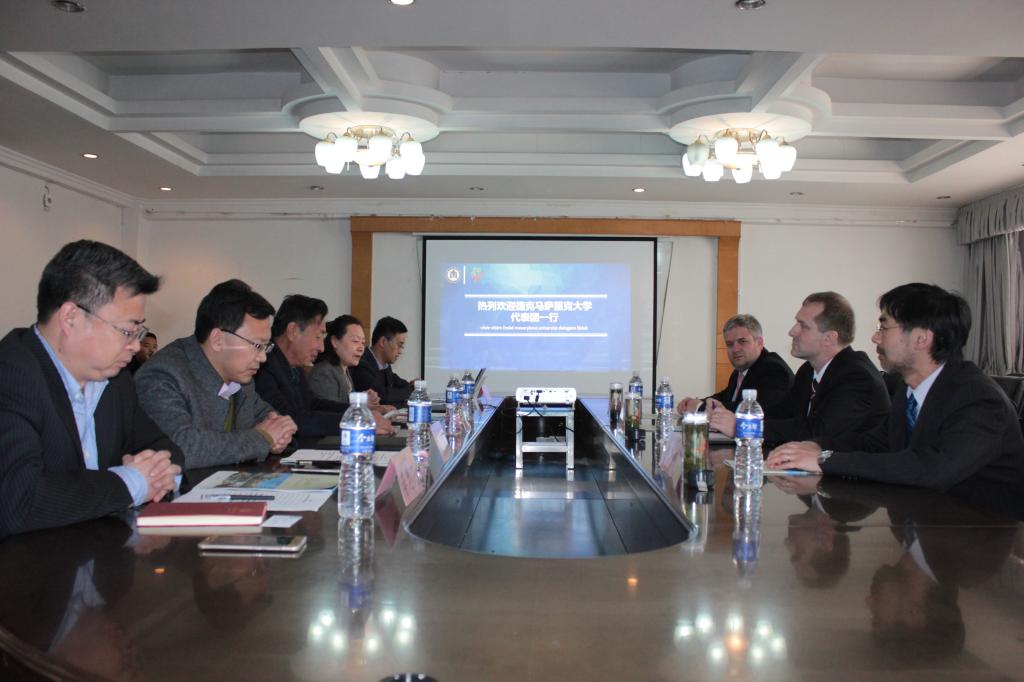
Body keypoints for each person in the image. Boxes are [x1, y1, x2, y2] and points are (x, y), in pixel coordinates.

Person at [0, 240, 182, 537]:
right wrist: (133, 482)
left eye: (139, 332)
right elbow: (18, 502)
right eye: (128, 331)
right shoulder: (11, 376)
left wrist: (155, 472)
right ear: (71, 318)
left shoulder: (113, 379)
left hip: (99, 551)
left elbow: (166, 448)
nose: (135, 345)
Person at [767, 283, 1024, 490]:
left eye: (884, 327)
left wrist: (825, 460)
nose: (875, 337)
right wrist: (817, 446)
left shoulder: (978, 399)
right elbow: (875, 442)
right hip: (925, 520)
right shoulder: (910, 390)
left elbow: (932, 468)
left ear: (921, 339)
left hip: (980, 531)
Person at [135, 280, 298, 469]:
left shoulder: (241, 379)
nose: (262, 357)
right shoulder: (162, 375)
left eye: (265, 347)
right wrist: (263, 439)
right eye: (256, 345)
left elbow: (267, 417)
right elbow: (179, 447)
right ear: (218, 340)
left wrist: (280, 434)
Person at [708, 291, 889, 445]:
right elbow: (780, 414)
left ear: (829, 338)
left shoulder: (857, 376)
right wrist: (728, 416)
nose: (792, 331)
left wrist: (744, 427)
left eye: (803, 326)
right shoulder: (808, 371)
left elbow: (818, 432)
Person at [255, 295, 393, 438]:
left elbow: (313, 404)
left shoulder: (294, 366)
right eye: (317, 337)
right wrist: (356, 421)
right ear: (293, 331)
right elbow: (289, 419)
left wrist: (360, 412)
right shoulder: (263, 366)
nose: (321, 348)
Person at [677, 314, 794, 414]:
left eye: (742, 341)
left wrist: (699, 407)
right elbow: (725, 397)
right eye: (730, 344)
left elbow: (751, 411)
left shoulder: (774, 370)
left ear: (759, 343)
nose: (735, 349)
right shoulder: (742, 370)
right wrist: (696, 402)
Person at [309, 315, 395, 415]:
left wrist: (374, 407)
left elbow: (345, 405)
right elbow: (332, 414)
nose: (361, 348)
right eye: (355, 341)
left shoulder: (345, 369)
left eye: (363, 343)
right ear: (335, 342)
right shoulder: (325, 372)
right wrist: (364, 406)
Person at [350, 316, 415, 404]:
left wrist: (414, 385)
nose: (400, 351)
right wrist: (414, 391)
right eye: (399, 345)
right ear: (383, 342)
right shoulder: (361, 363)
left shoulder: (385, 366)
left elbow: (399, 384)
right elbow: (383, 396)